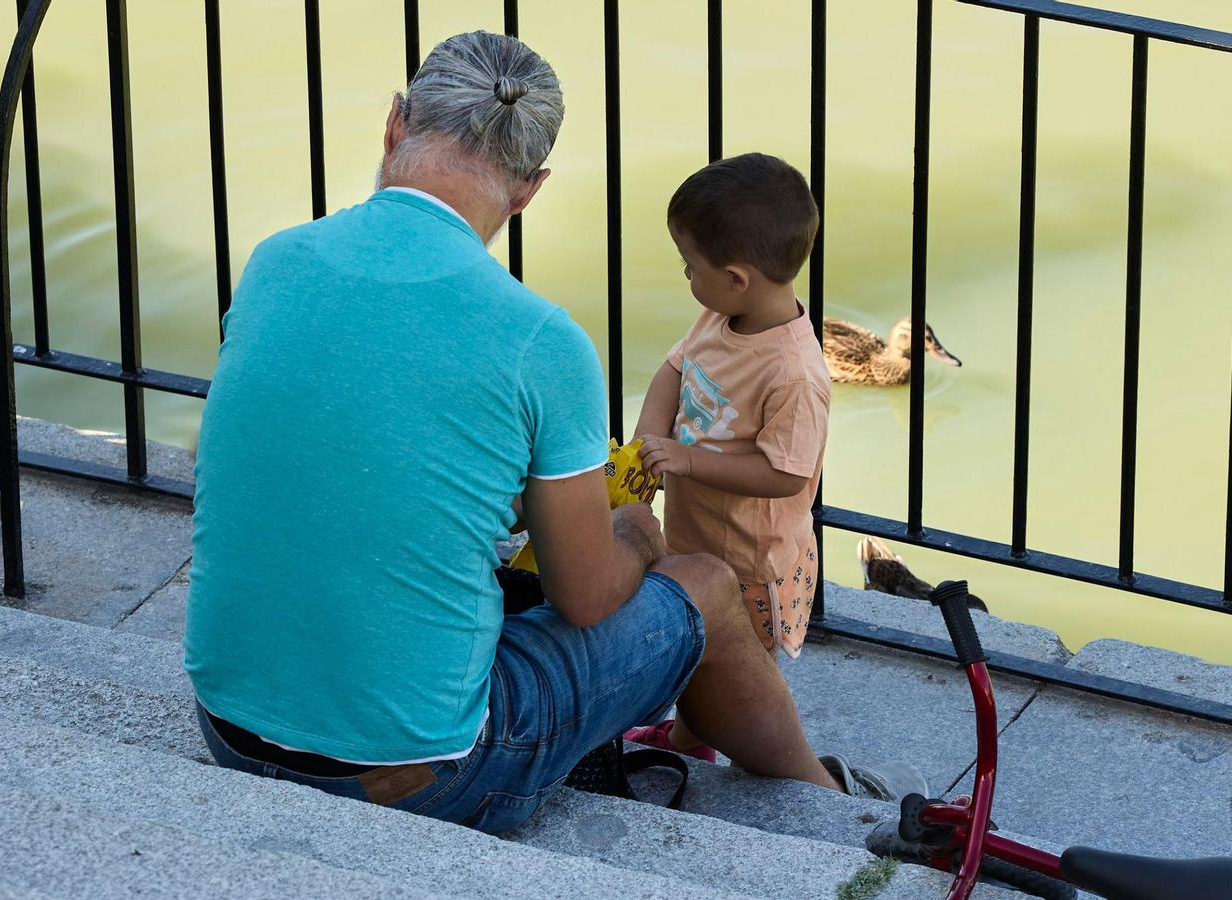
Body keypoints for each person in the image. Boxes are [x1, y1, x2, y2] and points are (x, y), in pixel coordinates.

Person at [184, 32, 919, 836]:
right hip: (419, 776)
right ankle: (830, 812)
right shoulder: (540, 341)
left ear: (395, 125)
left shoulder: (275, 261)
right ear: (530, 189)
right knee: (705, 584)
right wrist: (637, 533)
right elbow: (587, 593)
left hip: (228, 727)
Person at [623, 154, 840, 770]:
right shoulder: (721, 315)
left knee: (736, 659)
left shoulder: (794, 372)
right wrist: (648, 440)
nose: (685, 276)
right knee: (700, 644)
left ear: (738, 277)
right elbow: (675, 368)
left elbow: (787, 473)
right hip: (702, 534)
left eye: (691, 266)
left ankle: (736, 748)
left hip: (754, 555)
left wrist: (687, 462)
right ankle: (694, 737)